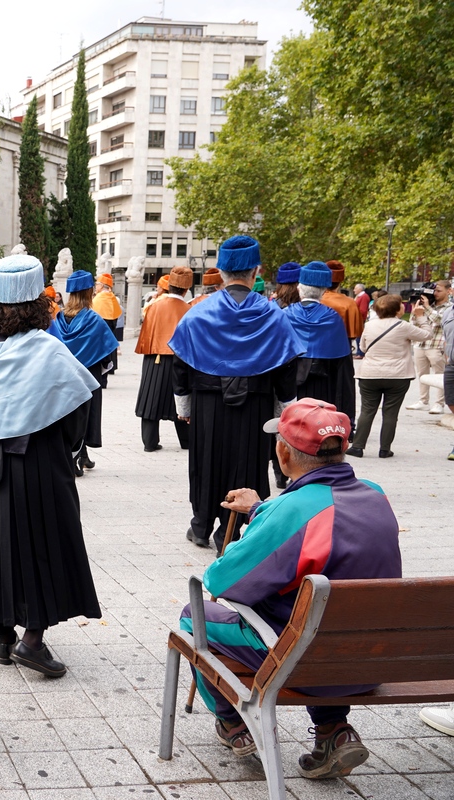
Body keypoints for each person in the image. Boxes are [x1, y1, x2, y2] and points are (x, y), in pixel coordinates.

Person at [181, 399, 400, 780]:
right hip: (372, 659)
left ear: (283, 453)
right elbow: (317, 515)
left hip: (307, 664)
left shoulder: (294, 511)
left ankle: (233, 723)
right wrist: (260, 511)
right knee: (323, 620)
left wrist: (251, 533)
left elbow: (223, 582)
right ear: (342, 448)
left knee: (193, 616)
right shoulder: (375, 494)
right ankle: (334, 730)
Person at [0, 254, 100, 678]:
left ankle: (3, 635)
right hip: (36, 463)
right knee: (42, 543)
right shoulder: (47, 349)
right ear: (37, 301)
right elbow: (76, 415)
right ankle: (32, 640)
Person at [170, 235, 303, 550]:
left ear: (221, 270)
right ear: (255, 271)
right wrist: (282, 415)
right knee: (248, 464)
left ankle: (202, 525)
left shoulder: (198, 314)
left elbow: (180, 366)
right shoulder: (273, 316)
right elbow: (287, 369)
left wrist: (184, 408)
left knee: (205, 463)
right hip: (255, 407)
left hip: (207, 405)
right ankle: (236, 529)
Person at [49, 270, 118, 476]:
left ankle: (80, 455)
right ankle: (77, 458)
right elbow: (107, 355)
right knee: (86, 415)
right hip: (88, 374)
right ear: (89, 293)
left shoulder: (58, 319)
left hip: (64, 374)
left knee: (68, 414)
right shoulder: (94, 320)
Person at [347, 294, 431, 458]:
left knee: (367, 410)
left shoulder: (369, 326)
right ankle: (385, 449)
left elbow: (363, 347)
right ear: (398, 309)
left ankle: (357, 447)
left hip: (370, 374)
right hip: (398, 375)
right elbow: (426, 335)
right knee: (391, 413)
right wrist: (421, 318)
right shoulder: (403, 326)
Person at [282, 262, 357, 424]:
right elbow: (343, 366)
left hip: (289, 384)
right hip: (322, 386)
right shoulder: (333, 318)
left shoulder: (285, 315)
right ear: (323, 291)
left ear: (299, 289)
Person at [134, 265, 193, 452]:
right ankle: (187, 441)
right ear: (186, 289)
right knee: (182, 398)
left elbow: (146, 335)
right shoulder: (189, 309)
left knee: (151, 400)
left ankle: (149, 443)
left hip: (155, 358)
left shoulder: (154, 306)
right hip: (182, 360)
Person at [406, 280, 449, 414]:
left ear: (449, 291)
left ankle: (439, 403)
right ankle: (423, 401)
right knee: (422, 374)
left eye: (439, 291)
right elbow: (412, 323)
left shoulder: (449, 307)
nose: (435, 293)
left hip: (437, 345)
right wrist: (416, 311)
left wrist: (428, 308)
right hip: (421, 344)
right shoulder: (426, 305)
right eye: (434, 291)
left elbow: (441, 321)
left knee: (440, 375)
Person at [319, 260, 364, 347]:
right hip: (342, 348)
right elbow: (355, 333)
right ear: (340, 282)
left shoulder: (316, 300)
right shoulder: (350, 303)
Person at [92, 273, 124, 342]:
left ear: (101, 285)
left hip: (99, 336)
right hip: (112, 335)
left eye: (97, 284)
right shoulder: (113, 298)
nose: (96, 286)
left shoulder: (98, 298)